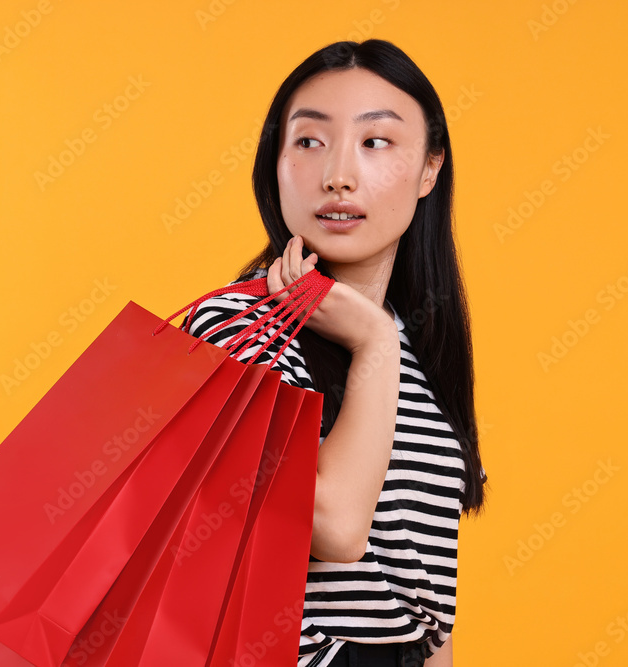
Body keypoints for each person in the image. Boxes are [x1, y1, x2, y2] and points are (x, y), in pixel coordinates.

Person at [184, 40, 488, 667]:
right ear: (276, 163)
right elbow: (336, 526)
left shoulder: (421, 344)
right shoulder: (237, 327)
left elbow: (425, 601)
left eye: (375, 143)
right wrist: (372, 342)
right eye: (309, 142)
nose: (338, 175)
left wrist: (383, 336)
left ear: (430, 169)